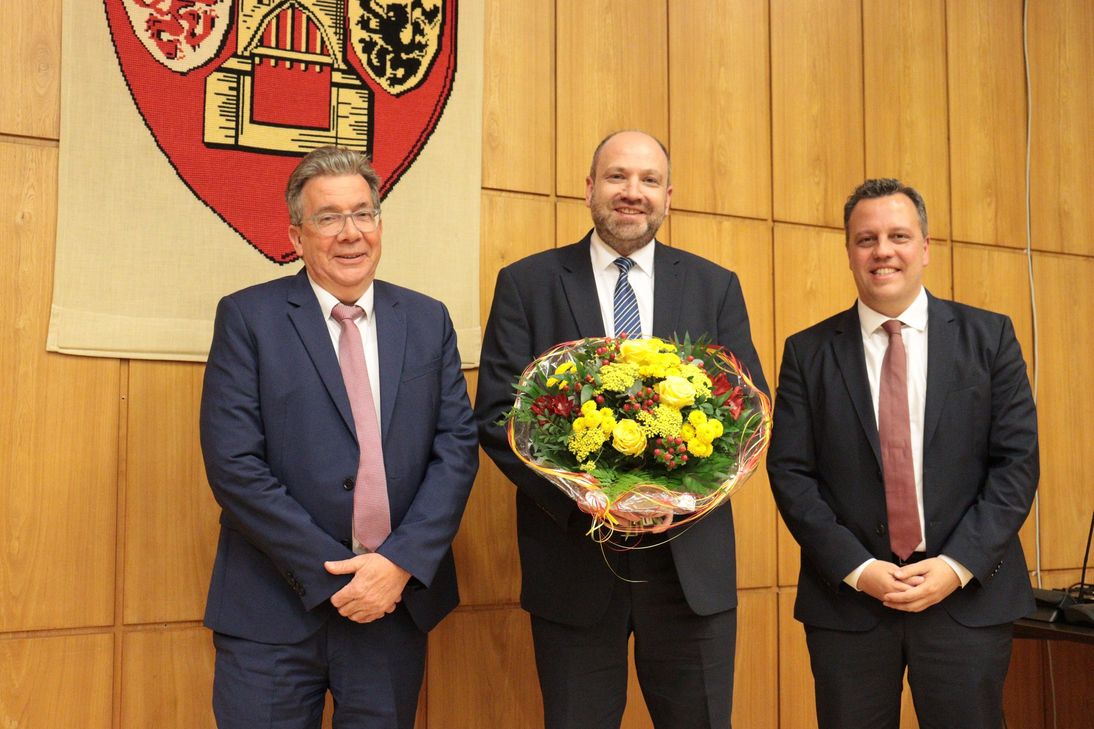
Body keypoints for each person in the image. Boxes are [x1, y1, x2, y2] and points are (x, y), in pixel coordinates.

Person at [474, 130, 768, 729]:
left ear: (668, 196)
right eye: (616, 177)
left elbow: (748, 414)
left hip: (690, 569)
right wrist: (593, 499)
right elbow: (498, 415)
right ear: (589, 189)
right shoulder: (527, 284)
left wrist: (679, 497)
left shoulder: (715, 286)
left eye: (648, 180)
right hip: (574, 563)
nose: (632, 192)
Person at [200, 146, 478, 729]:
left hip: (391, 609)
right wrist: (339, 575)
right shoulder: (248, 318)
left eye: (364, 214)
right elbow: (234, 465)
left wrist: (396, 566)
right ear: (296, 237)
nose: (350, 234)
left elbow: (456, 450)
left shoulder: (428, 320)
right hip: (271, 610)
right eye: (328, 218)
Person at [767, 178, 1038, 728]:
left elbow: (1015, 465)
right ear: (849, 252)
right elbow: (791, 474)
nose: (882, 251)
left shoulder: (989, 339)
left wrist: (955, 566)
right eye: (866, 239)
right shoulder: (808, 352)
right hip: (849, 605)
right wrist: (859, 569)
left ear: (925, 248)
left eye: (898, 235)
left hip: (966, 600)